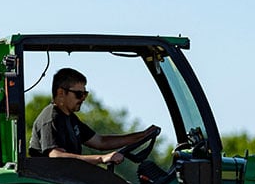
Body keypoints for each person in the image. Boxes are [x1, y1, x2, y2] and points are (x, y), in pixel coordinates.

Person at [29, 68, 159, 166]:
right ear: (61, 93)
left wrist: (141, 136)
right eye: (79, 94)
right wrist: (101, 158)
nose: (83, 99)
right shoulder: (51, 118)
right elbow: (56, 156)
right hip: (56, 183)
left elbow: (101, 142)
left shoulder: (70, 118)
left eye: (85, 94)